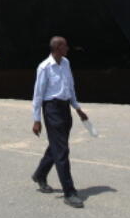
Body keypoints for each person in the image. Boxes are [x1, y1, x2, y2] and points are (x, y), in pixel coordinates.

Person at [30, 35, 88, 208]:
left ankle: (40, 174)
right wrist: (36, 119)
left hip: (65, 109)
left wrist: (78, 109)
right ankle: (69, 192)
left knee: (57, 146)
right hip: (52, 109)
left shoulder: (66, 63)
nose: (68, 48)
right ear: (57, 48)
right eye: (65, 46)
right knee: (62, 150)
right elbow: (38, 95)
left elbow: (70, 87)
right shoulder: (44, 67)